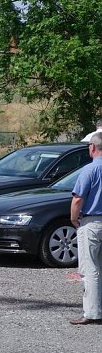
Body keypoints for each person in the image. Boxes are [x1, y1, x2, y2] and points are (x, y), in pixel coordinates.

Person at [70, 131, 102, 324]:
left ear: (92, 147)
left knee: (89, 269)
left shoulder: (90, 170)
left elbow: (78, 199)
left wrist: (74, 219)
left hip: (92, 222)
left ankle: (91, 312)